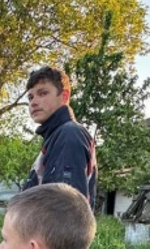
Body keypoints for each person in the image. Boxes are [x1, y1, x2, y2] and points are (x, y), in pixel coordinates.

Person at [23, 66, 98, 211]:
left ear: (64, 96)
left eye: (43, 93)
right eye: (31, 97)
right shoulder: (56, 137)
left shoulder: (69, 135)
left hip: (51, 234)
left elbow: (66, 212)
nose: (33, 102)